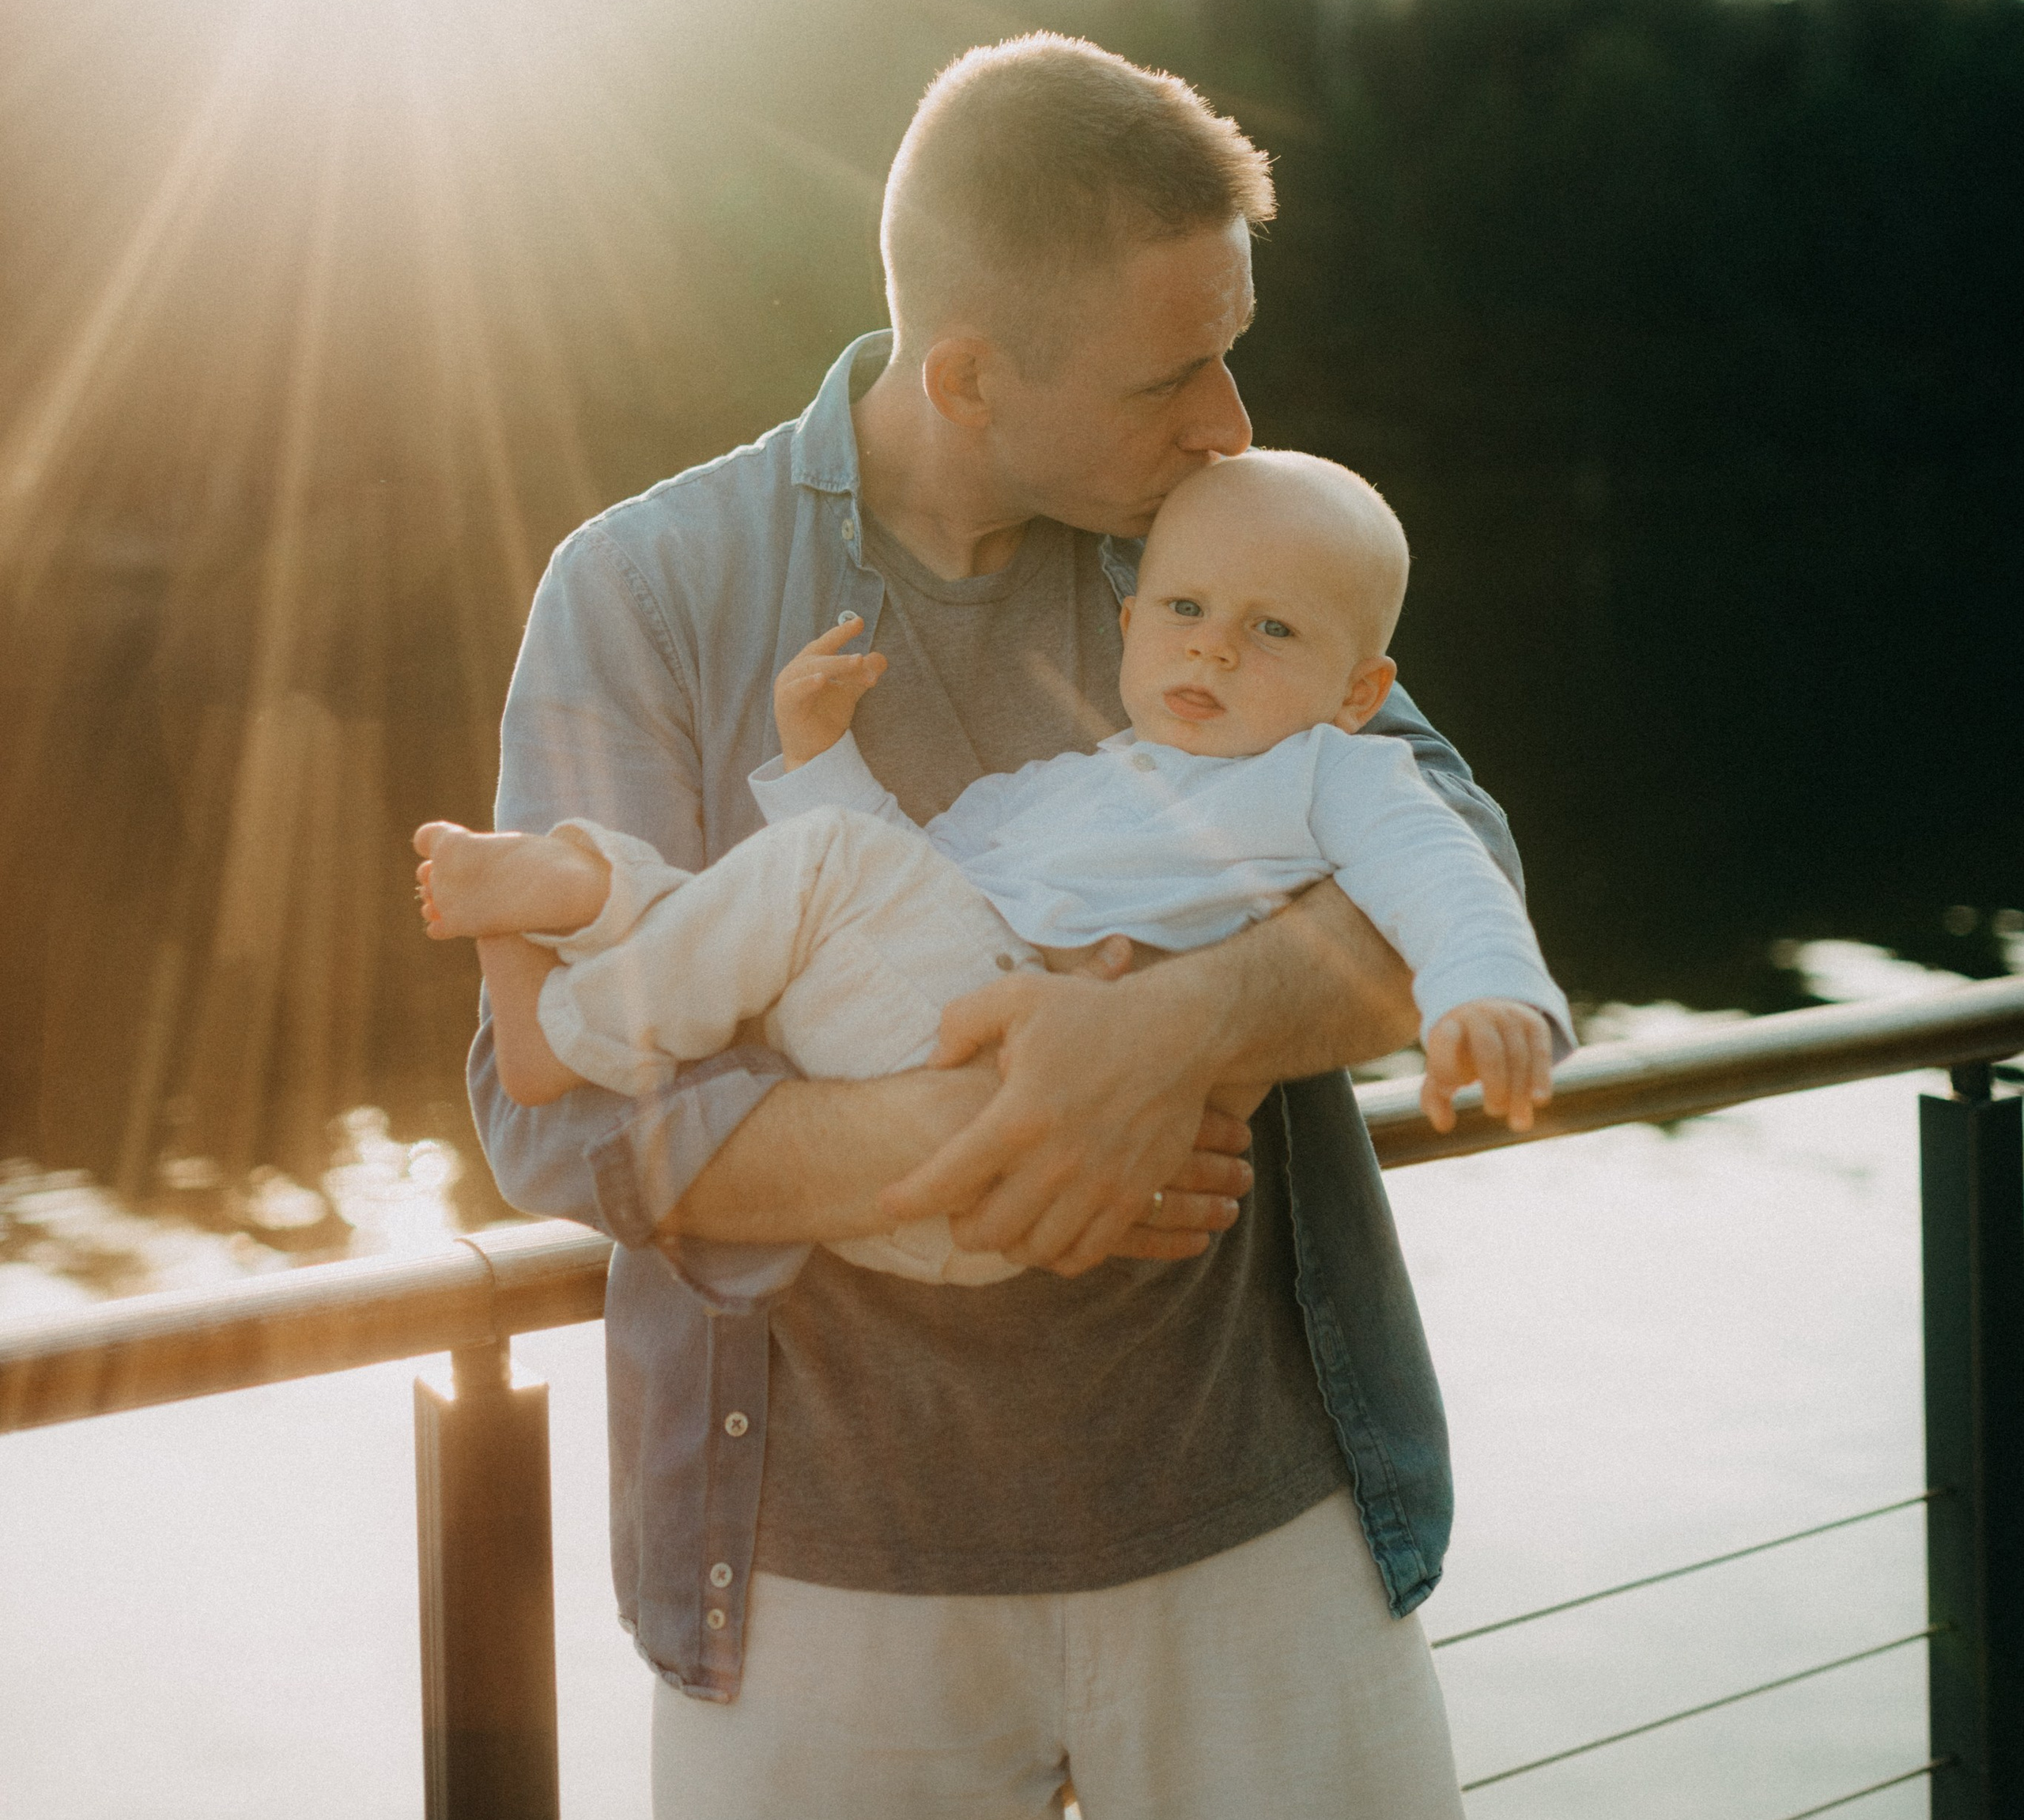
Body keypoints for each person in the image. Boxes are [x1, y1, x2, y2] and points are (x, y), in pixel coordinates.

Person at [467, 32, 1564, 1820]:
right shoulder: (647, 591)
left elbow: (1448, 857)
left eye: (1231, 347)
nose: (1230, 413)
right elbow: (550, 1121)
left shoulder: (1223, 546)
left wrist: (1174, 1044)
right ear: (970, 371)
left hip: (1260, 1549)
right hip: (819, 1598)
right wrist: (994, 1129)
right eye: (1172, 372)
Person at [418, 450, 1564, 1296]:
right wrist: (820, 755)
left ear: (1361, 692)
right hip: (933, 1087)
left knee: (818, 868)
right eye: (1185, 611)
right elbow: (919, 878)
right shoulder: (1073, 782)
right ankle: (578, 897)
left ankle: (561, 1028)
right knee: (776, 890)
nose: (1214, 646)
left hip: (981, 1149)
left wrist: (1485, 989)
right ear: (1130, 627)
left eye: (1274, 633)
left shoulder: (1330, 772)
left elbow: (1442, 862)